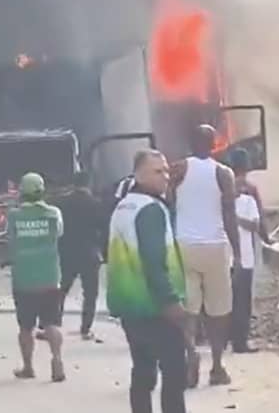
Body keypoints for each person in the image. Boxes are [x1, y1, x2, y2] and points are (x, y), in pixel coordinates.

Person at [107, 149, 187, 413]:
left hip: (130, 306)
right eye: (157, 171)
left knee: (142, 371)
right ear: (139, 174)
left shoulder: (123, 206)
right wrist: (170, 301)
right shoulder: (151, 210)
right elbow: (154, 262)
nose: (166, 177)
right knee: (175, 371)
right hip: (155, 306)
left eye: (166, 171)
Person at [169, 124, 240, 387]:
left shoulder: (177, 170)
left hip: (184, 246)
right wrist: (238, 252)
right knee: (218, 311)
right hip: (215, 247)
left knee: (188, 310)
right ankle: (217, 366)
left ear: (190, 143)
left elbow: (169, 205)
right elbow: (229, 214)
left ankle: (191, 353)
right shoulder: (224, 173)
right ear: (214, 144)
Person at [6, 172, 66, 382]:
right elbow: (59, 233)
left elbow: (10, 238)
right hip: (50, 277)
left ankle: (28, 367)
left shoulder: (14, 216)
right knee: (51, 324)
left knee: (26, 327)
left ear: (21, 192)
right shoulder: (54, 213)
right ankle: (57, 360)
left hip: (24, 279)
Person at [37, 170, 104, 340]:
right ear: (89, 184)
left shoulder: (61, 203)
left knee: (59, 291)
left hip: (66, 252)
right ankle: (85, 329)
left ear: (73, 184)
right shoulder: (96, 204)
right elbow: (104, 228)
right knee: (90, 294)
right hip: (89, 253)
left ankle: (51, 325)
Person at [229, 147, 271, 353]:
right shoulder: (250, 190)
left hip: (223, 253)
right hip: (244, 253)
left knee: (226, 297)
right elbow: (259, 222)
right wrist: (267, 239)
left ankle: (223, 337)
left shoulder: (222, 188)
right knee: (243, 298)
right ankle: (240, 340)